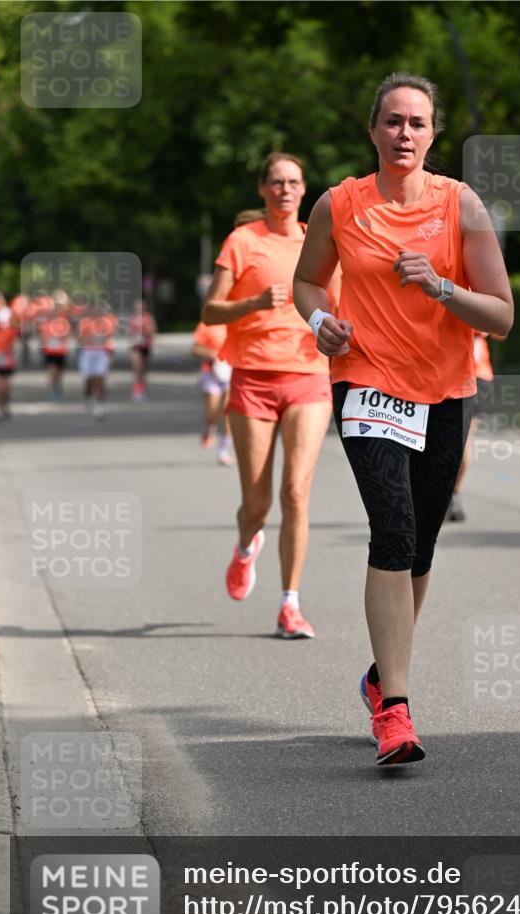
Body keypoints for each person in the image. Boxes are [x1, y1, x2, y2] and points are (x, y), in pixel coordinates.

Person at [293, 72, 513, 765]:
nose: (404, 134)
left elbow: (501, 316)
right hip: (364, 383)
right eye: (392, 121)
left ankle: (378, 675)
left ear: (432, 134)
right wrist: (323, 319)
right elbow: (306, 282)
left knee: (419, 547)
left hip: (445, 391)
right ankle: (395, 709)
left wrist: (441, 285)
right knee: (390, 529)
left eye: (416, 123)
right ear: (372, 130)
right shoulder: (339, 204)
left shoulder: (460, 205)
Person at [202, 152, 338, 639]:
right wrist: (257, 302)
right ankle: (245, 545)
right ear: (263, 189)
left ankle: (290, 604)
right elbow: (211, 311)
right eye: (276, 181)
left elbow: (342, 306)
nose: (285, 189)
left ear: (303, 191)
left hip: (307, 377)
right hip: (253, 379)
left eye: (294, 182)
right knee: (257, 504)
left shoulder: (318, 242)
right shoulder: (243, 241)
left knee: (296, 492)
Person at [446, 331, 495, 522]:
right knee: (460, 440)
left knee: (463, 441)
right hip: (453, 371)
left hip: (471, 374)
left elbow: (499, 329)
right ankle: (452, 494)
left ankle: (452, 494)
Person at [192, 319, 234, 464]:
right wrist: (213, 354)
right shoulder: (207, 324)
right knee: (212, 412)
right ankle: (210, 427)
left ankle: (224, 450)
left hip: (231, 372)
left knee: (228, 412)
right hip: (211, 372)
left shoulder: (235, 321)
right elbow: (195, 349)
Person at [78, 306, 117, 419]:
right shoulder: (85, 323)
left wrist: (110, 355)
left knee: (101, 379)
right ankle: (88, 397)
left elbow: (109, 340)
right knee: (89, 381)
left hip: (101, 354)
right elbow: (81, 338)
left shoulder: (106, 324)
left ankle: (99, 406)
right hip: (88, 354)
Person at [0, 293, 19, 419]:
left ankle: (6, 404)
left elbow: (16, 334)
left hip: (7, 362)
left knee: (5, 387)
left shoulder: (8, 331)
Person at [128, 299, 157, 401]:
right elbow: (130, 332)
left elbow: (153, 331)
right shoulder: (133, 318)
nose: (139, 308)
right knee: (137, 368)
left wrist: (147, 332)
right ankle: (136, 391)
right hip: (136, 347)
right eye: (137, 307)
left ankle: (142, 390)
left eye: (141, 307)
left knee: (143, 370)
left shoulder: (148, 318)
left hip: (145, 346)